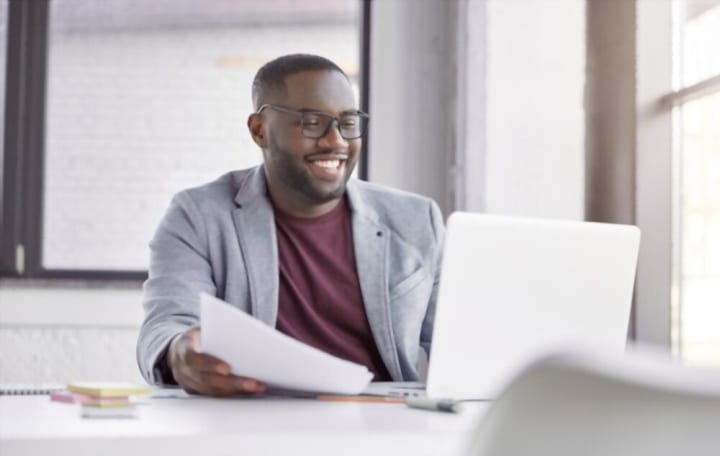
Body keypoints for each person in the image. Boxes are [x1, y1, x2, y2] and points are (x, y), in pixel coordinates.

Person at [136, 54, 444, 396]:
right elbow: (166, 326)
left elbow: (460, 344)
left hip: (382, 417)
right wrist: (179, 351)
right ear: (260, 130)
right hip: (255, 415)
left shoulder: (417, 220)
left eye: (348, 122)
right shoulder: (198, 216)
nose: (336, 141)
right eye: (311, 122)